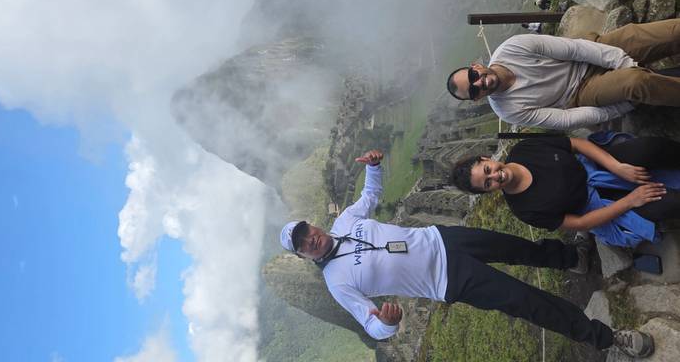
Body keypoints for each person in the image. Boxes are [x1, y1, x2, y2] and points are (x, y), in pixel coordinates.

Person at [279, 149, 655, 358]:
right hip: (448, 280)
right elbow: (371, 324)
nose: (309, 239)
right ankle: (605, 337)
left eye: (305, 231)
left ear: (312, 225)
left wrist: (374, 168)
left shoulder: (346, 220)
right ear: (303, 256)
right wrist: (388, 323)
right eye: (302, 244)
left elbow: (370, 197)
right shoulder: (336, 282)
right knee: (524, 300)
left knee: (517, 248)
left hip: (443, 238)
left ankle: (569, 258)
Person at [445, 19, 680, 130]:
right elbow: (567, 119)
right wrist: (620, 108)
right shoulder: (508, 110)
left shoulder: (513, 48)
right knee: (635, 82)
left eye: (473, 76)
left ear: (475, 66)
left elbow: (575, 48)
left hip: (588, 55)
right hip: (581, 92)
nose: (479, 83)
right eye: (474, 90)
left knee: (671, 33)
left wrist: (623, 61)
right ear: (476, 99)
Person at [451, 135, 680, 247]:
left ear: (486, 159)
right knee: (671, 202)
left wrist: (617, 167)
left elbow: (575, 144)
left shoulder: (524, 149)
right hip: (601, 204)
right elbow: (581, 224)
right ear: (488, 192)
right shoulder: (524, 210)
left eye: (488, 170)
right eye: (488, 183)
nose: (495, 177)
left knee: (651, 148)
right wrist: (630, 201)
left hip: (598, 167)